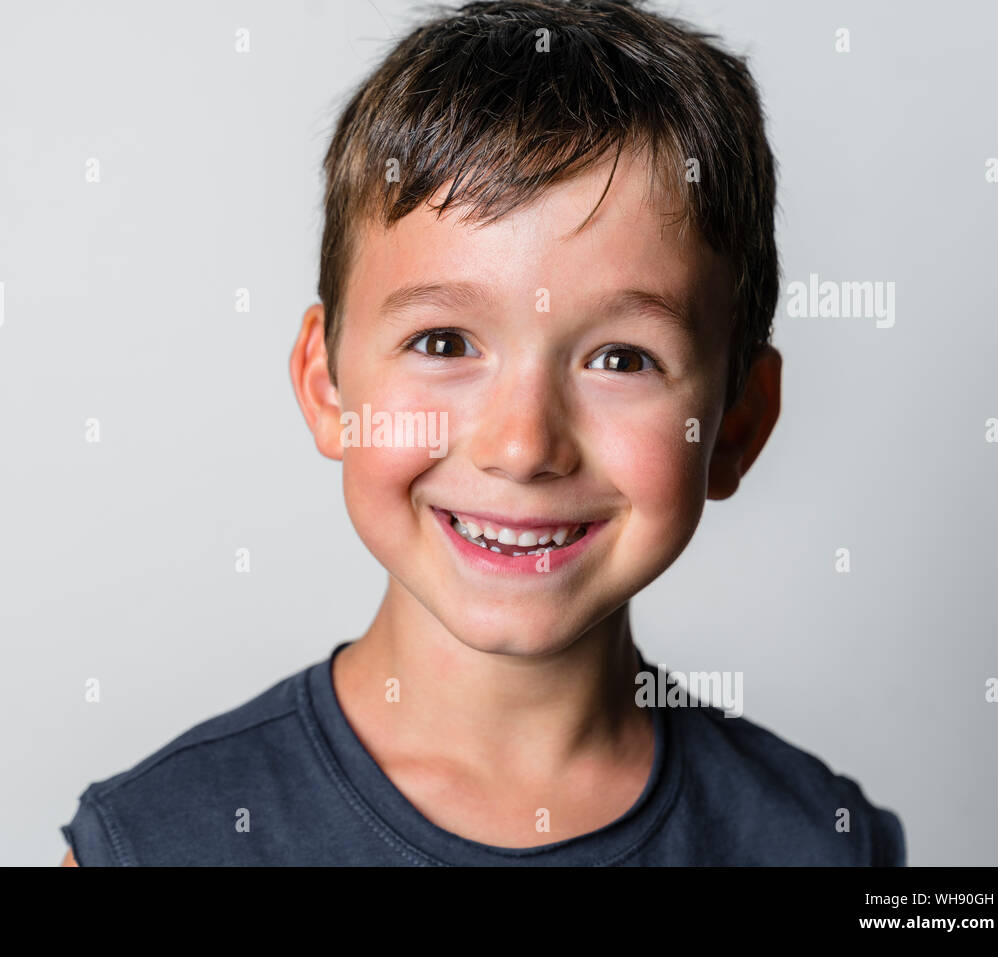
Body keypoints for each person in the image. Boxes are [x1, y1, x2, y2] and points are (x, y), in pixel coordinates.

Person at [60, 0, 904, 866]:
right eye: (443, 343)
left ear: (737, 423)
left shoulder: (825, 844)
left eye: (621, 358)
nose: (523, 445)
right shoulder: (158, 843)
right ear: (327, 386)